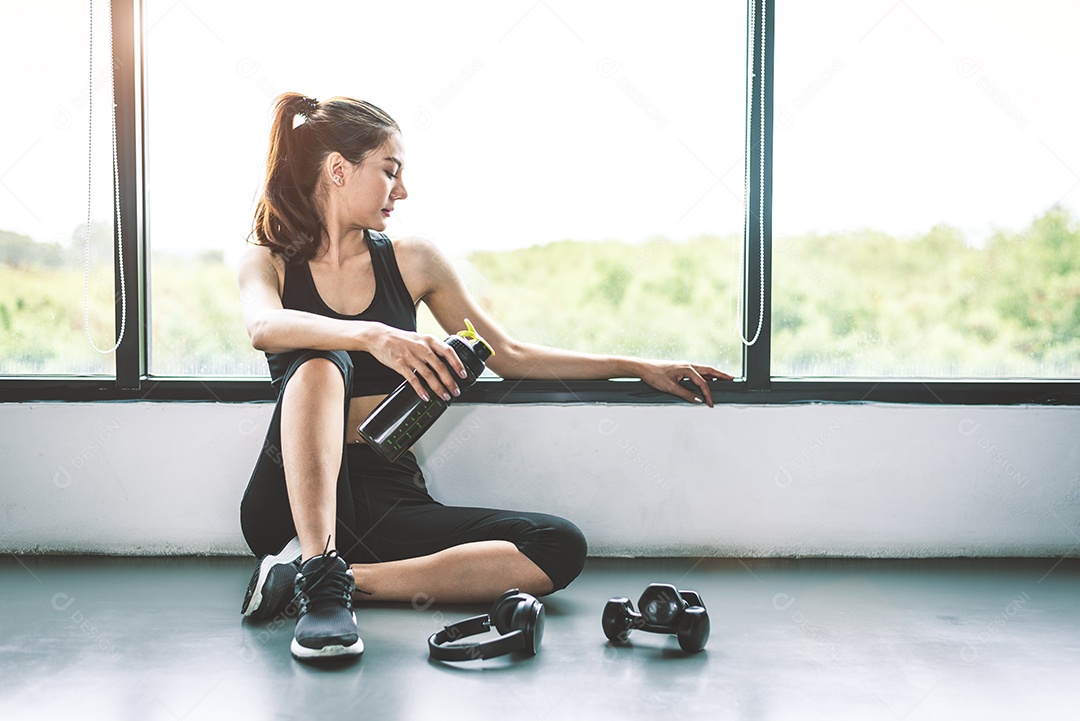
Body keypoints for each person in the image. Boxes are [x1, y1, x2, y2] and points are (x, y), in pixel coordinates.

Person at [236, 92, 733, 661]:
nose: (402, 190)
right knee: (322, 364)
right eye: (390, 172)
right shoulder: (269, 259)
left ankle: (325, 579)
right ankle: (320, 579)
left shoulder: (412, 260)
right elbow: (263, 326)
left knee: (558, 545)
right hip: (289, 498)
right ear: (338, 170)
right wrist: (373, 335)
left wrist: (638, 366)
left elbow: (509, 354)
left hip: (386, 492)